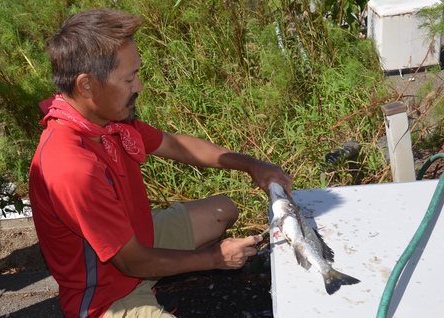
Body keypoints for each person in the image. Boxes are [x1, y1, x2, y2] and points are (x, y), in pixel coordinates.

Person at [29, 8, 293, 318]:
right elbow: (132, 262)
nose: (138, 86)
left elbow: (175, 144)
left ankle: (159, 280)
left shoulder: (105, 121)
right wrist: (215, 258)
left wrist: (250, 164)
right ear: (87, 86)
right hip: (106, 296)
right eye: (129, 78)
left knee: (223, 211)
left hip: (135, 239)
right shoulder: (72, 165)